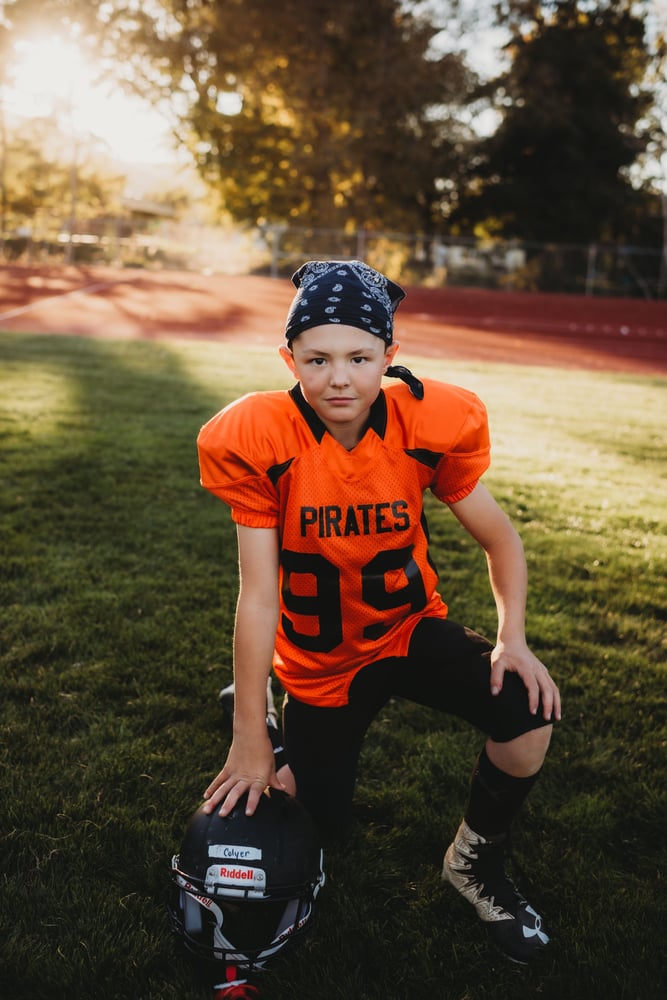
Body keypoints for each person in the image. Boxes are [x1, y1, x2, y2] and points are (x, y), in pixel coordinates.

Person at [197, 259, 561, 964]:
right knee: (318, 826)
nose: (340, 378)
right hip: (320, 663)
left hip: (404, 629)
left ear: (389, 357)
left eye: (360, 357)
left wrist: (511, 637)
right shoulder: (259, 436)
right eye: (318, 358)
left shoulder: (428, 420)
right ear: (288, 359)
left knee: (527, 708)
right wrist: (247, 732)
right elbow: (258, 593)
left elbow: (499, 537)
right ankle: (274, 738)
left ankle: (472, 863)